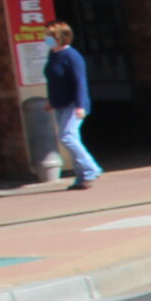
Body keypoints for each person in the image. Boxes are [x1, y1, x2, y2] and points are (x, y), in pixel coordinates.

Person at [44, 21, 100, 188]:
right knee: (71, 138)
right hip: (60, 104)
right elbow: (54, 80)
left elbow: (80, 82)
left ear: (61, 37)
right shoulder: (53, 55)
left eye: (49, 36)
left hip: (73, 104)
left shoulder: (72, 56)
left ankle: (91, 169)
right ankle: (82, 177)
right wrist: (51, 100)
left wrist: (80, 105)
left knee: (67, 137)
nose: (46, 39)